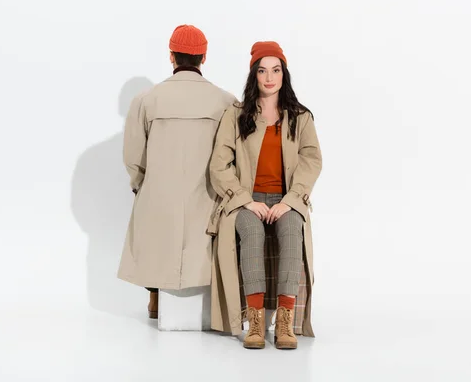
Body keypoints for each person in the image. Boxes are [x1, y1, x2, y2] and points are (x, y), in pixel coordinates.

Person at [207, 41, 322, 349]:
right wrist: (245, 199)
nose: (269, 77)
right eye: (262, 71)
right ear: (253, 75)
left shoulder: (301, 117)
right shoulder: (237, 115)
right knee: (251, 232)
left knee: (291, 228)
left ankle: (284, 322)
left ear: (284, 73)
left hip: (288, 199)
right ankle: (255, 321)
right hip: (248, 197)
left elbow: (312, 161)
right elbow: (219, 165)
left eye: (275, 70)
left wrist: (291, 200)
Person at [117, 25, 237, 319]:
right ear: (204, 58)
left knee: (152, 220)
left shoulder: (146, 100)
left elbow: (133, 158)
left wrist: (141, 184)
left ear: (171, 56)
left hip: (160, 199)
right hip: (208, 200)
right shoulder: (226, 101)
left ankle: (155, 293)